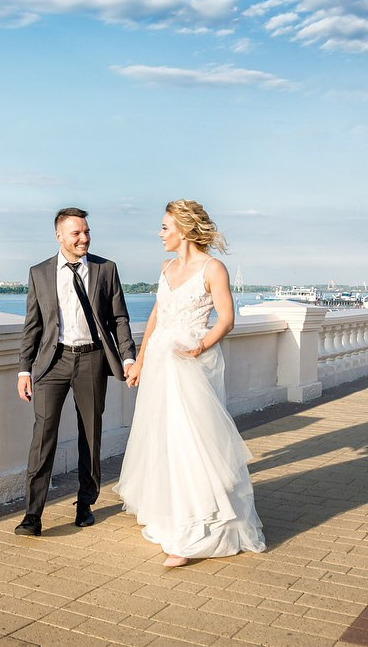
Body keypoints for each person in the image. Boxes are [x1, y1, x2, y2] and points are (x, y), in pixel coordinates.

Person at [114, 200, 265, 566]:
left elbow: (226, 319)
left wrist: (200, 346)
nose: (160, 233)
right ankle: (169, 516)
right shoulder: (166, 267)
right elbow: (156, 316)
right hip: (160, 367)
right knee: (162, 439)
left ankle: (192, 533)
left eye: (165, 226)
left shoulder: (213, 268)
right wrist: (140, 360)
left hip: (190, 365)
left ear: (182, 229)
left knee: (191, 442)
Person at [15, 207, 137, 536]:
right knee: (43, 438)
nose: (84, 238)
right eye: (76, 233)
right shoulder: (39, 273)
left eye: (86, 232)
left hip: (92, 360)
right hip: (52, 364)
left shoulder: (105, 269)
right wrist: (23, 370)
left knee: (91, 435)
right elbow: (33, 326)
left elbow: (120, 318)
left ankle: (85, 504)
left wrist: (128, 357)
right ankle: (32, 515)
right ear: (59, 236)